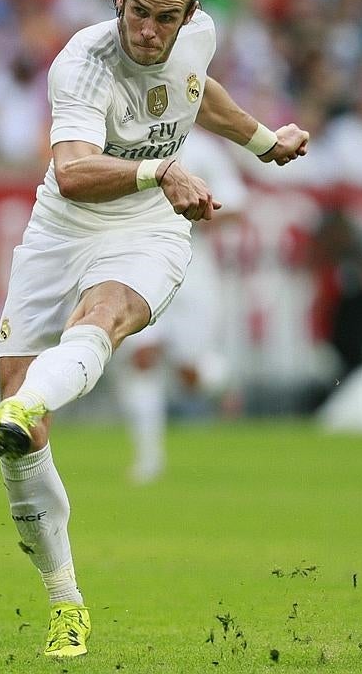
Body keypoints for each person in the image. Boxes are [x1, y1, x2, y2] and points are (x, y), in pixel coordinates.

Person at [0, 0, 309, 659]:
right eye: (139, 10)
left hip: (148, 229)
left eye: (166, 17)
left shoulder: (197, 36)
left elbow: (197, 93)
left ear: (190, 16)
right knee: (24, 440)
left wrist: (259, 140)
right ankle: (66, 599)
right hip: (62, 228)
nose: (149, 32)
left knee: (104, 317)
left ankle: (28, 405)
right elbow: (73, 173)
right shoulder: (81, 65)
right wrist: (164, 169)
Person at [112, 128, 249, 484]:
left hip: (192, 268)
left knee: (191, 375)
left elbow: (236, 207)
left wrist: (195, 210)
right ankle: (148, 459)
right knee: (143, 357)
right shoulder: (130, 139)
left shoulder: (204, 149)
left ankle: (222, 381)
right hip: (140, 263)